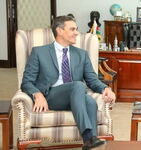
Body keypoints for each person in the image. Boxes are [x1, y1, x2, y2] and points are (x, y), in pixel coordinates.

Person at [21, 16, 116, 150]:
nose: (77, 32)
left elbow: (92, 80)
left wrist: (105, 88)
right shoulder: (39, 52)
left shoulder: (81, 54)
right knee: (78, 85)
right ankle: (88, 136)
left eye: (76, 29)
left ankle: (91, 142)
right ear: (60, 31)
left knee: (90, 102)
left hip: (76, 96)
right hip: (52, 97)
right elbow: (26, 82)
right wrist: (37, 94)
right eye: (72, 29)